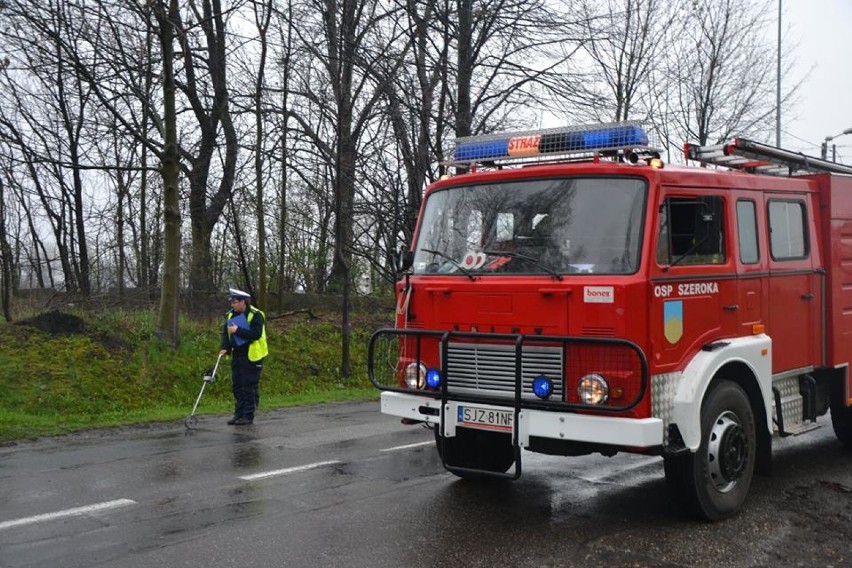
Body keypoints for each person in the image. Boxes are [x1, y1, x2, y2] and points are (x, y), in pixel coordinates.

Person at [219, 288, 268, 425]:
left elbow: (256, 334)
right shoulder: (231, 315)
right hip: (238, 354)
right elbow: (227, 335)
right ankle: (238, 414)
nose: (232, 305)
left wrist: (238, 330)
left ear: (243, 302)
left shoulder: (256, 315)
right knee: (237, 385)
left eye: (235, 302)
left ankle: (248, 415)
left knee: (249, 386)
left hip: (253, 355)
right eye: (232, 302)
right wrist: (225, 348)